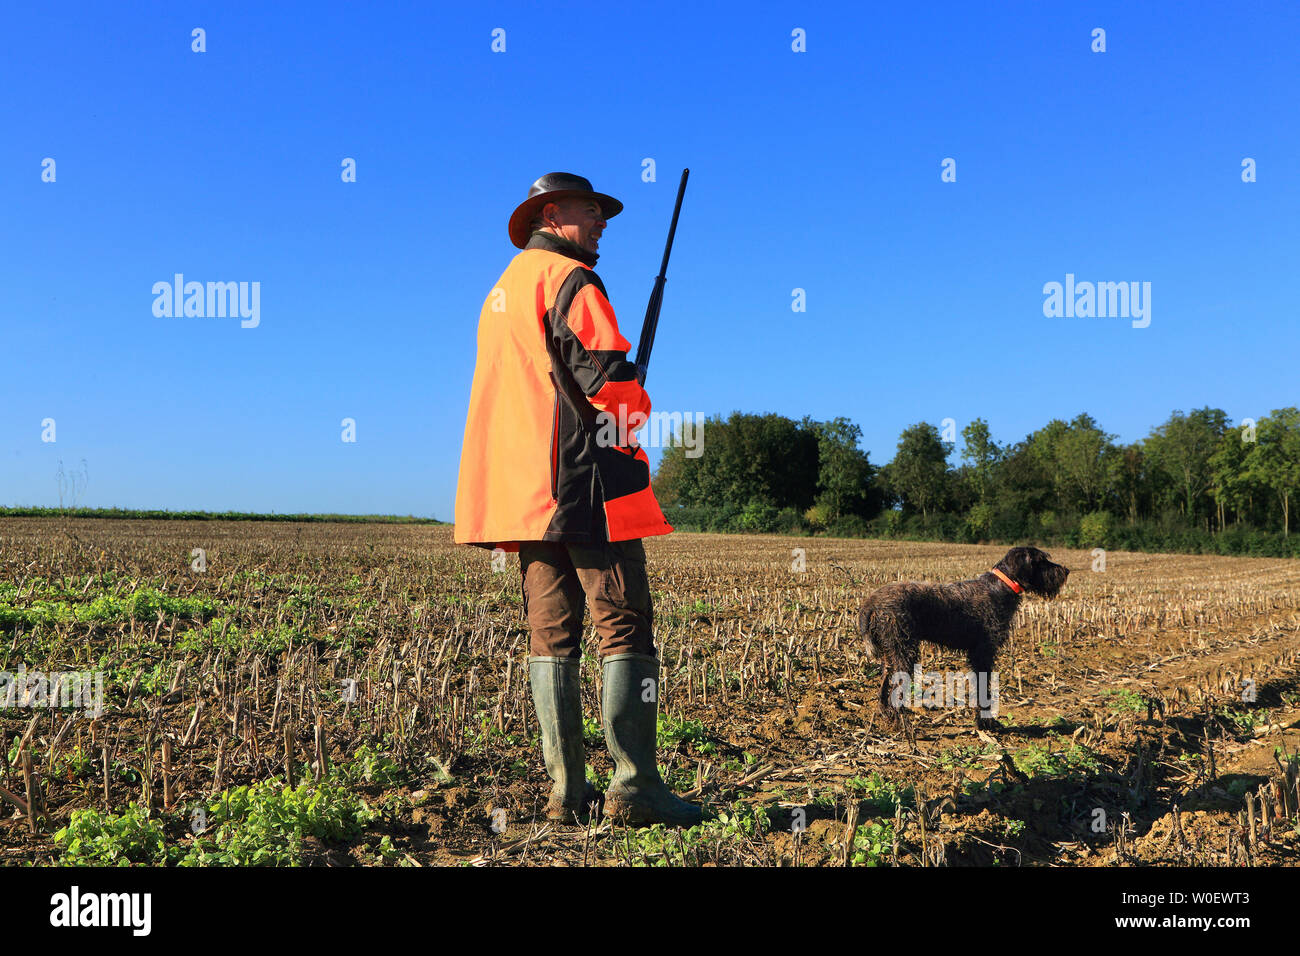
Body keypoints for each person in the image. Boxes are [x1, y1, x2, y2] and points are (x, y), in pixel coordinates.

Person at [454, 172, 702, 827]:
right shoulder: (571, 279)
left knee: (551, 636)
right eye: (592, 211)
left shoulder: (503, 288)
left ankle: (568, 792)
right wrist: (636, 396)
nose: (602, 223)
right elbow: (604, 377)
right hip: (581, 480)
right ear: (554, 211)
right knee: (623, 623)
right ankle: (636, 787)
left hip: (524, 491)